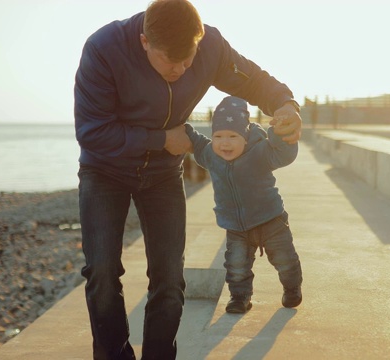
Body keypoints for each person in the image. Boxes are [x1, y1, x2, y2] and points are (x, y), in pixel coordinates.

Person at [73, 0, 302, 358]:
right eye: (170, 61)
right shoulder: (103, 49)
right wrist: (162, 139)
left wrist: (285, 103)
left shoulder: (209, 45)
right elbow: (93, 132)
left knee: (169, 279)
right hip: (105, 171)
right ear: (145, 41)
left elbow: (254, 80)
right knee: (102, 273)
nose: (181, 69)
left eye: (188, 59)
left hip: (163, 173)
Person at [185, 96, 303, 314]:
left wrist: (278, 136)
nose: (225, 142)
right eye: (218, 136)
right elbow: (193, 140)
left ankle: (292, 287)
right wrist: (178, 123)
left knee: (284, 260)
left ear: (246, 137)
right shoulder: (211, 154)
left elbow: (285, 154)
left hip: (270, 219)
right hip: (236, 226)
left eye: (232, 136)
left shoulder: (260, 152)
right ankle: (240, 297)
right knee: (236, 265)